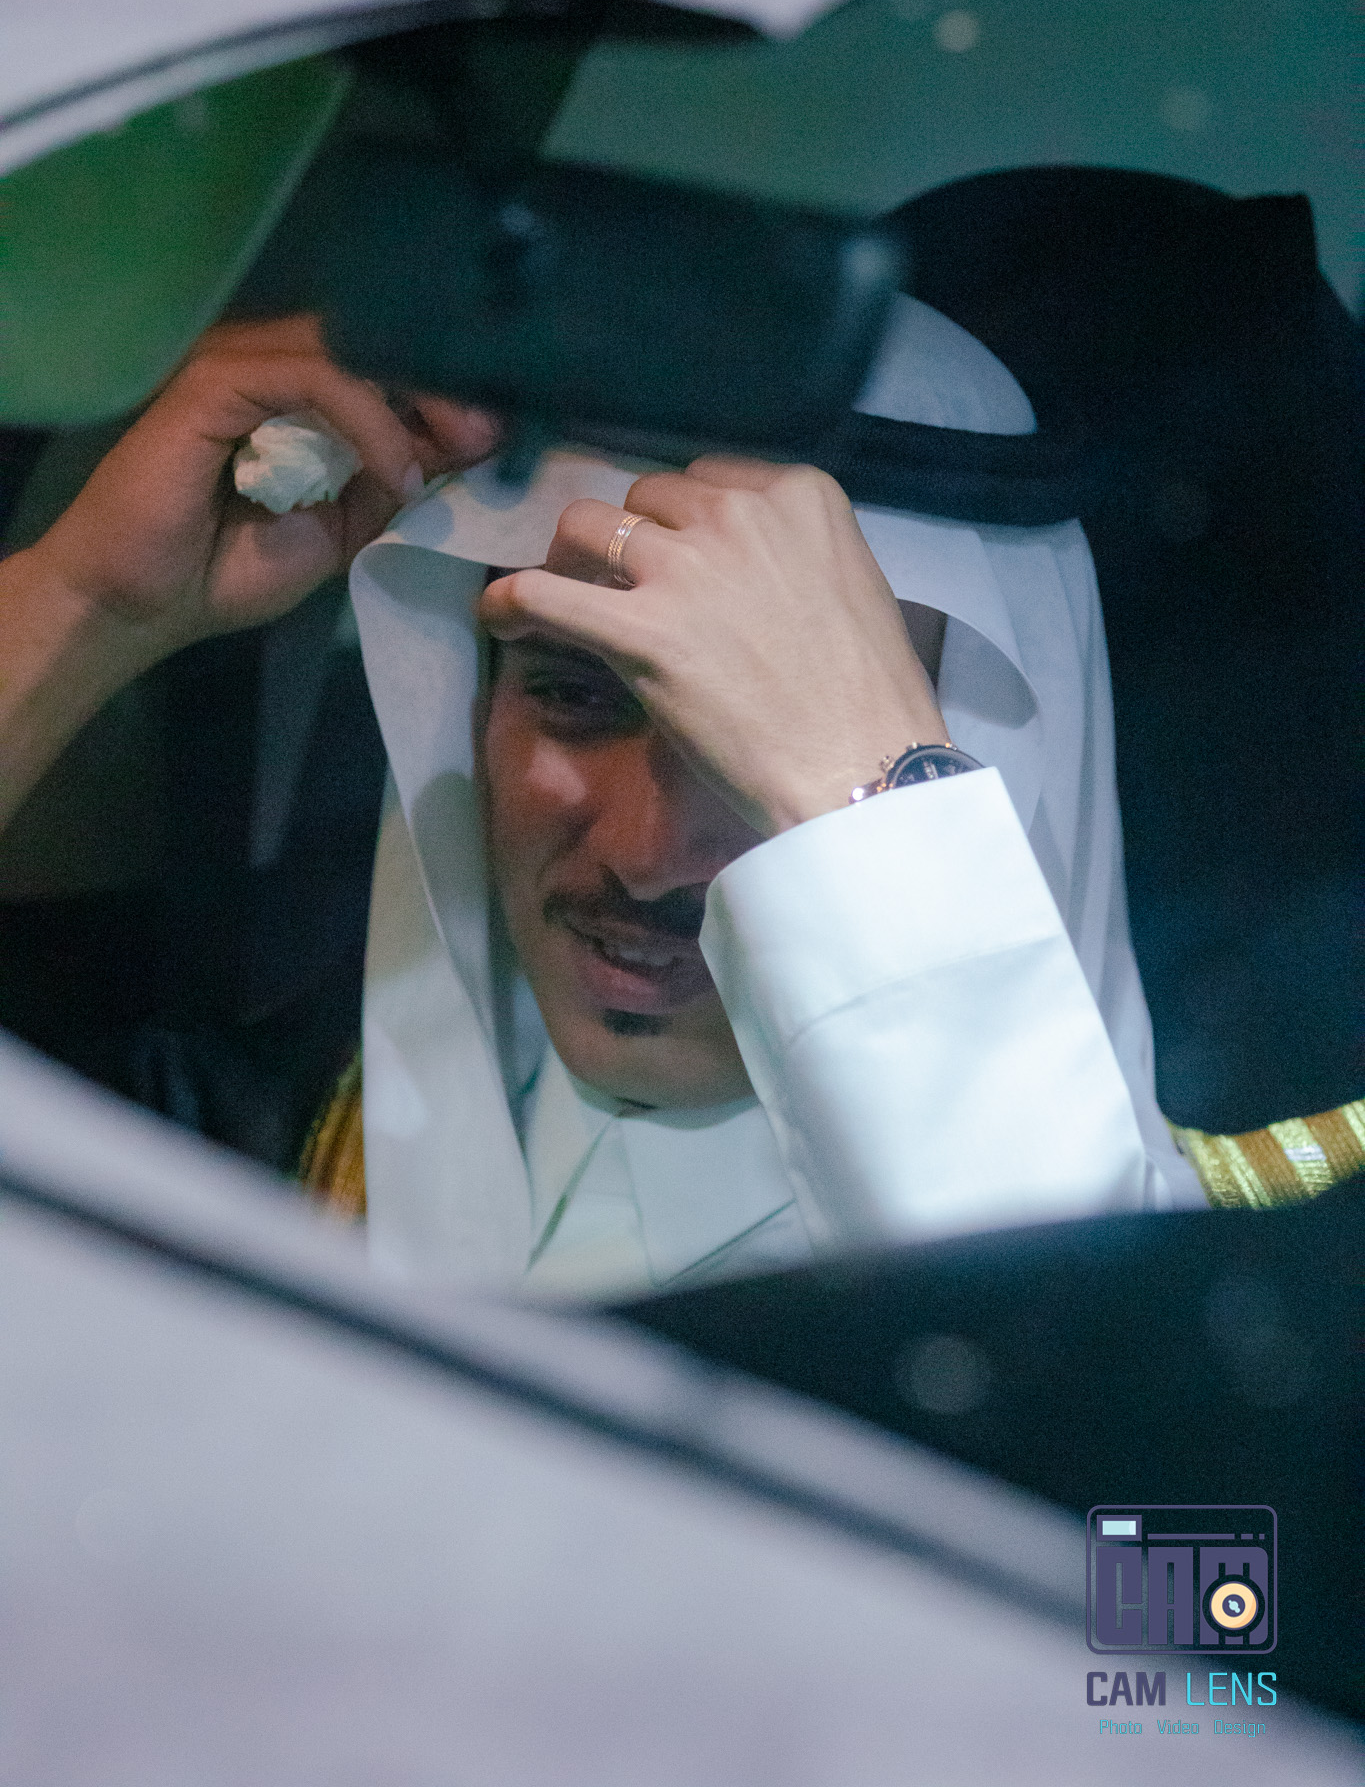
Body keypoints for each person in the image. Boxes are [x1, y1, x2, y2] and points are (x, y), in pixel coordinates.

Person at [2, 302, 1217, 1299]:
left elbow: (1114, 1455)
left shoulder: (1242, 1274)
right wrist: (78, 608)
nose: (645, 852)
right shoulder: (273, 1127)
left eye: (757, 747)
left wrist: (871, 807)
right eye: (575, 695)